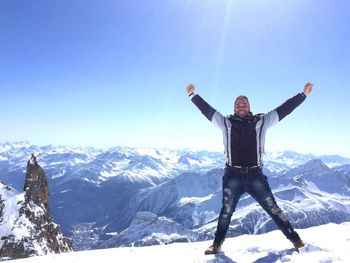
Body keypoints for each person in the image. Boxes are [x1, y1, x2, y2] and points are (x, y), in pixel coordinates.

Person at [186, 82, 314, 255]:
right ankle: (216, 244)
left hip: (255, 175)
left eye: (244, 103)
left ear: (249, 107)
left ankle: (296, 240)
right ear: (234, 108)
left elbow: (284, 109)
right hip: (232, 175)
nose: (241, 106)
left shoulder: (262, 121)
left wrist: (303, 95)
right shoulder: (225, 122)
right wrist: (193, 96)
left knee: (273, 208)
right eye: (238, 104)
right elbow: (207, 111)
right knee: (226, 212)